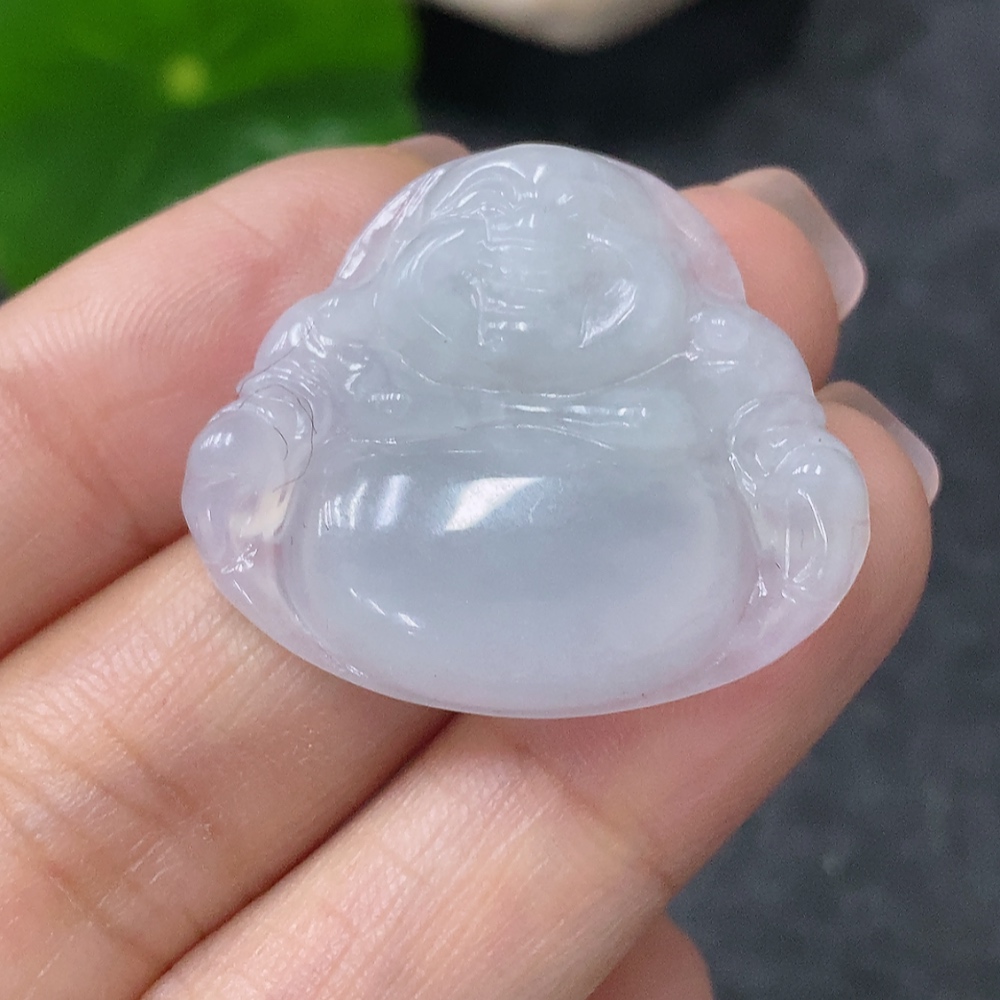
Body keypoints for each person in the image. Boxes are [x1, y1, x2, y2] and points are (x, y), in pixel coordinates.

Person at [0, 135, 933, 999]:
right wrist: (251, 454)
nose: (522, 273)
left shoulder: (711, 344)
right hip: (392, 542)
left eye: (569, 248)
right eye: (490, 243)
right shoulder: (351, 333)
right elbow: (279, 409)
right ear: (423, 255)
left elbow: (773, 435)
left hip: (641, 545)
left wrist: (802, 489)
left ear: (634, 261)